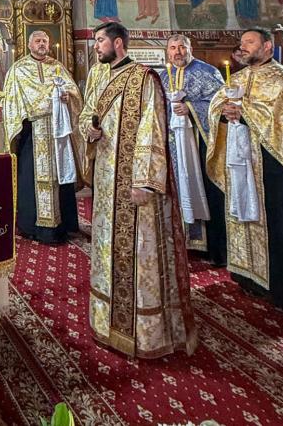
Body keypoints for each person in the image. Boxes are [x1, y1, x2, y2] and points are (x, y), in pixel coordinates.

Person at [78, 22, 197, 358]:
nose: (96, 46)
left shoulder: (144, 78)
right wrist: (88, 130)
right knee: (107, 247)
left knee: (139, 251)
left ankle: (145, 332)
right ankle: (107, 322)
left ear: (118, 43)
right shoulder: (98, 75)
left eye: (100, 41)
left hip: (133, 180)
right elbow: (87, 114)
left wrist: (145, 181)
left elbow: (152, 129)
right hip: (106, 178)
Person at [205, 27, 283, 314]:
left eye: (250, 42)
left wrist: (245, 113)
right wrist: (223, 114)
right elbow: (216, 107)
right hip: (242, 165)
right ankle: (250, 277)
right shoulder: (238, 78)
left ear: (268, 46)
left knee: (280, 223)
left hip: (276, 168)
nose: (242, 46)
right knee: (244, 216)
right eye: (241, 42)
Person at [2, 30, 82, 244]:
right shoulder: (18, 69)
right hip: (32, 131)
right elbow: (11, 101)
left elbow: (74, 92)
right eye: (37, 41)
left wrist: (67, 96)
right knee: (30, 178)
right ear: (29, 45)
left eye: (45, 41)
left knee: (59, 177)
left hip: (57, 131)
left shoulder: (58, 67)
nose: (42, 44)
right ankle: (31, 227)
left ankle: (63, 225)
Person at [159, 34, 226, 265]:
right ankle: (183, 241)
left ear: (190, 49)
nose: (177, 52)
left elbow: (220, 104)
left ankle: (211, 247)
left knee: (204, 188)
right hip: (172, 143)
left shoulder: (207, 72)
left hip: (199, 144)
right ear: (167, 52)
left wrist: (190, 107)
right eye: (173, 48)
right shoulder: (163, 76)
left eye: (182, 47)